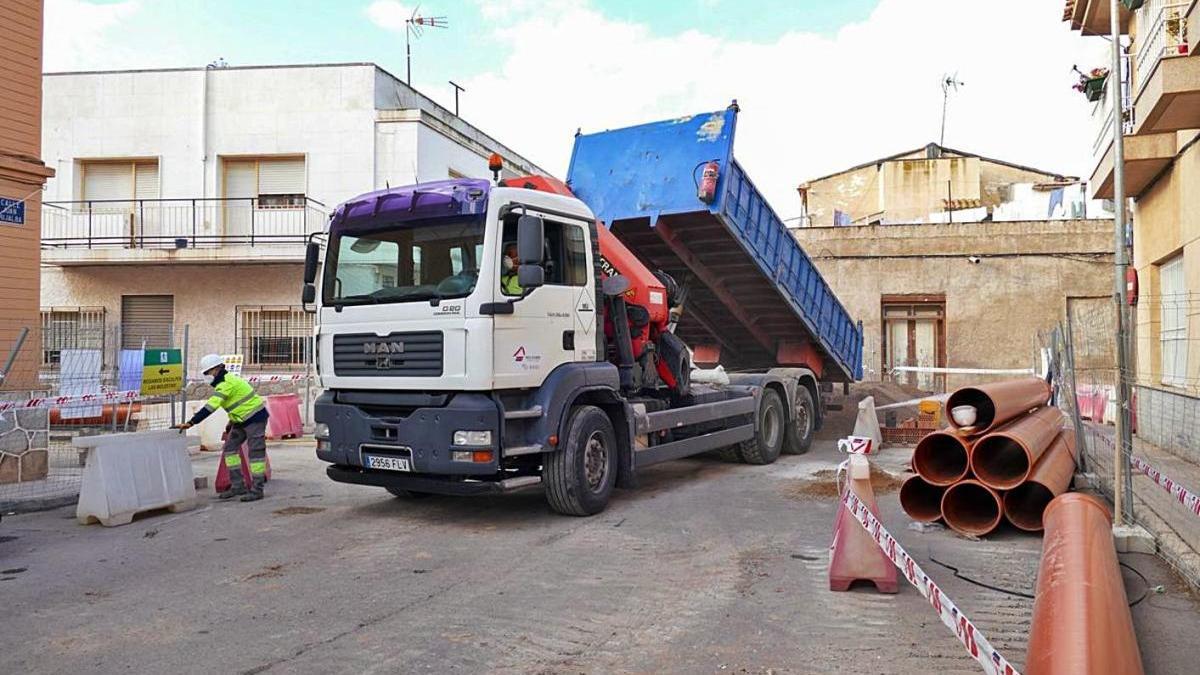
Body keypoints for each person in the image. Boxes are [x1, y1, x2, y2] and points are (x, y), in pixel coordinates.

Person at [175, 354, 270, 501]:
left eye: (208, 372)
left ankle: (257, 490)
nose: (207, 376)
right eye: (205, 373)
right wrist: (231, 421)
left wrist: (191, 422)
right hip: (240, 420)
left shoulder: (226, 383)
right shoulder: (224, 382)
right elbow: (236, 404)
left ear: (218, 368)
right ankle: (238, 486)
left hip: (255, 418)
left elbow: (211, 406)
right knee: (230, 451)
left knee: (256, 453)